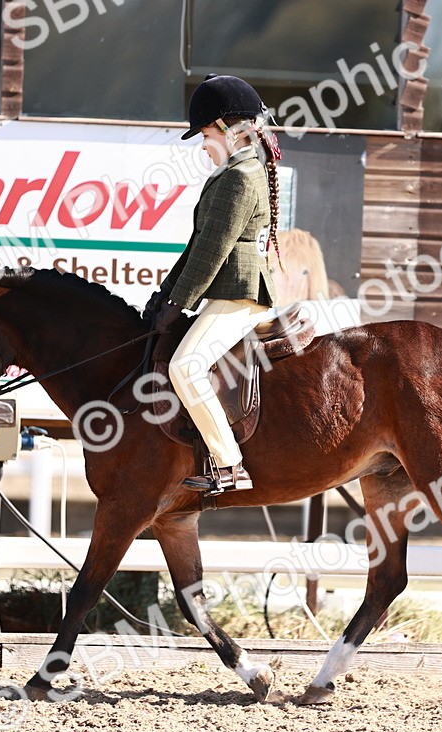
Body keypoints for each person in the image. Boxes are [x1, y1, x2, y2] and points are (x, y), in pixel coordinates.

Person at [151, 74, 283, 495]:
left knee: (185, 367)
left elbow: (214, 252)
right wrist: (166, 293)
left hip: (242, 294)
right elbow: (197, 245)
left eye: (206, 135)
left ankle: (229, 465)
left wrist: (179, 304)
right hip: (229, 290)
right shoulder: (231, 172)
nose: (204, 146)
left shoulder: (241, 177)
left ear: (228, 129)